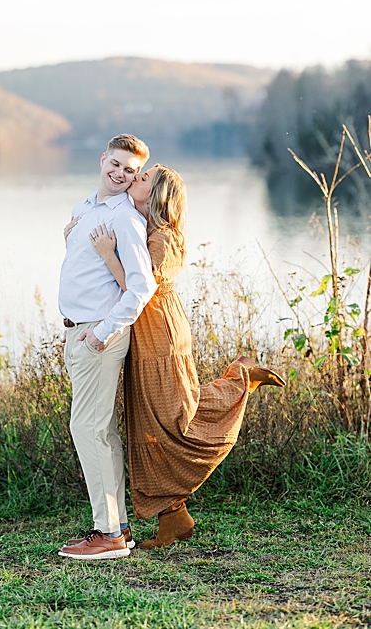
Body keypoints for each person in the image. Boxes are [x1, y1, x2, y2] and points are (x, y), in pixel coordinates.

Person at [85, 164, 284, 548]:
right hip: (145, 334)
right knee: (151, 423)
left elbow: (137, 291)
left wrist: (108, 254)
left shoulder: (163, 238)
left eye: (142, 178)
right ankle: (173, 518)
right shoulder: (145, 227)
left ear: (157, 193)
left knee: (175, 421)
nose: (133, 179)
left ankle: (240, 379)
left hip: (161, 335)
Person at [55, 134, 157, 561]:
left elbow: (142, 287)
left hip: (98, 335)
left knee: (89, 429)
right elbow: (85, 269)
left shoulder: (125, 218)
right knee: (99, 430)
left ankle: (108, 533)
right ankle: (118, 527)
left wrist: (104, 332)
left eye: (130, 171)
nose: (120, 174)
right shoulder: (84, 209)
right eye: (115, 165)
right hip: (78, 331)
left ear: (135, 177)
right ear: (102, 160)